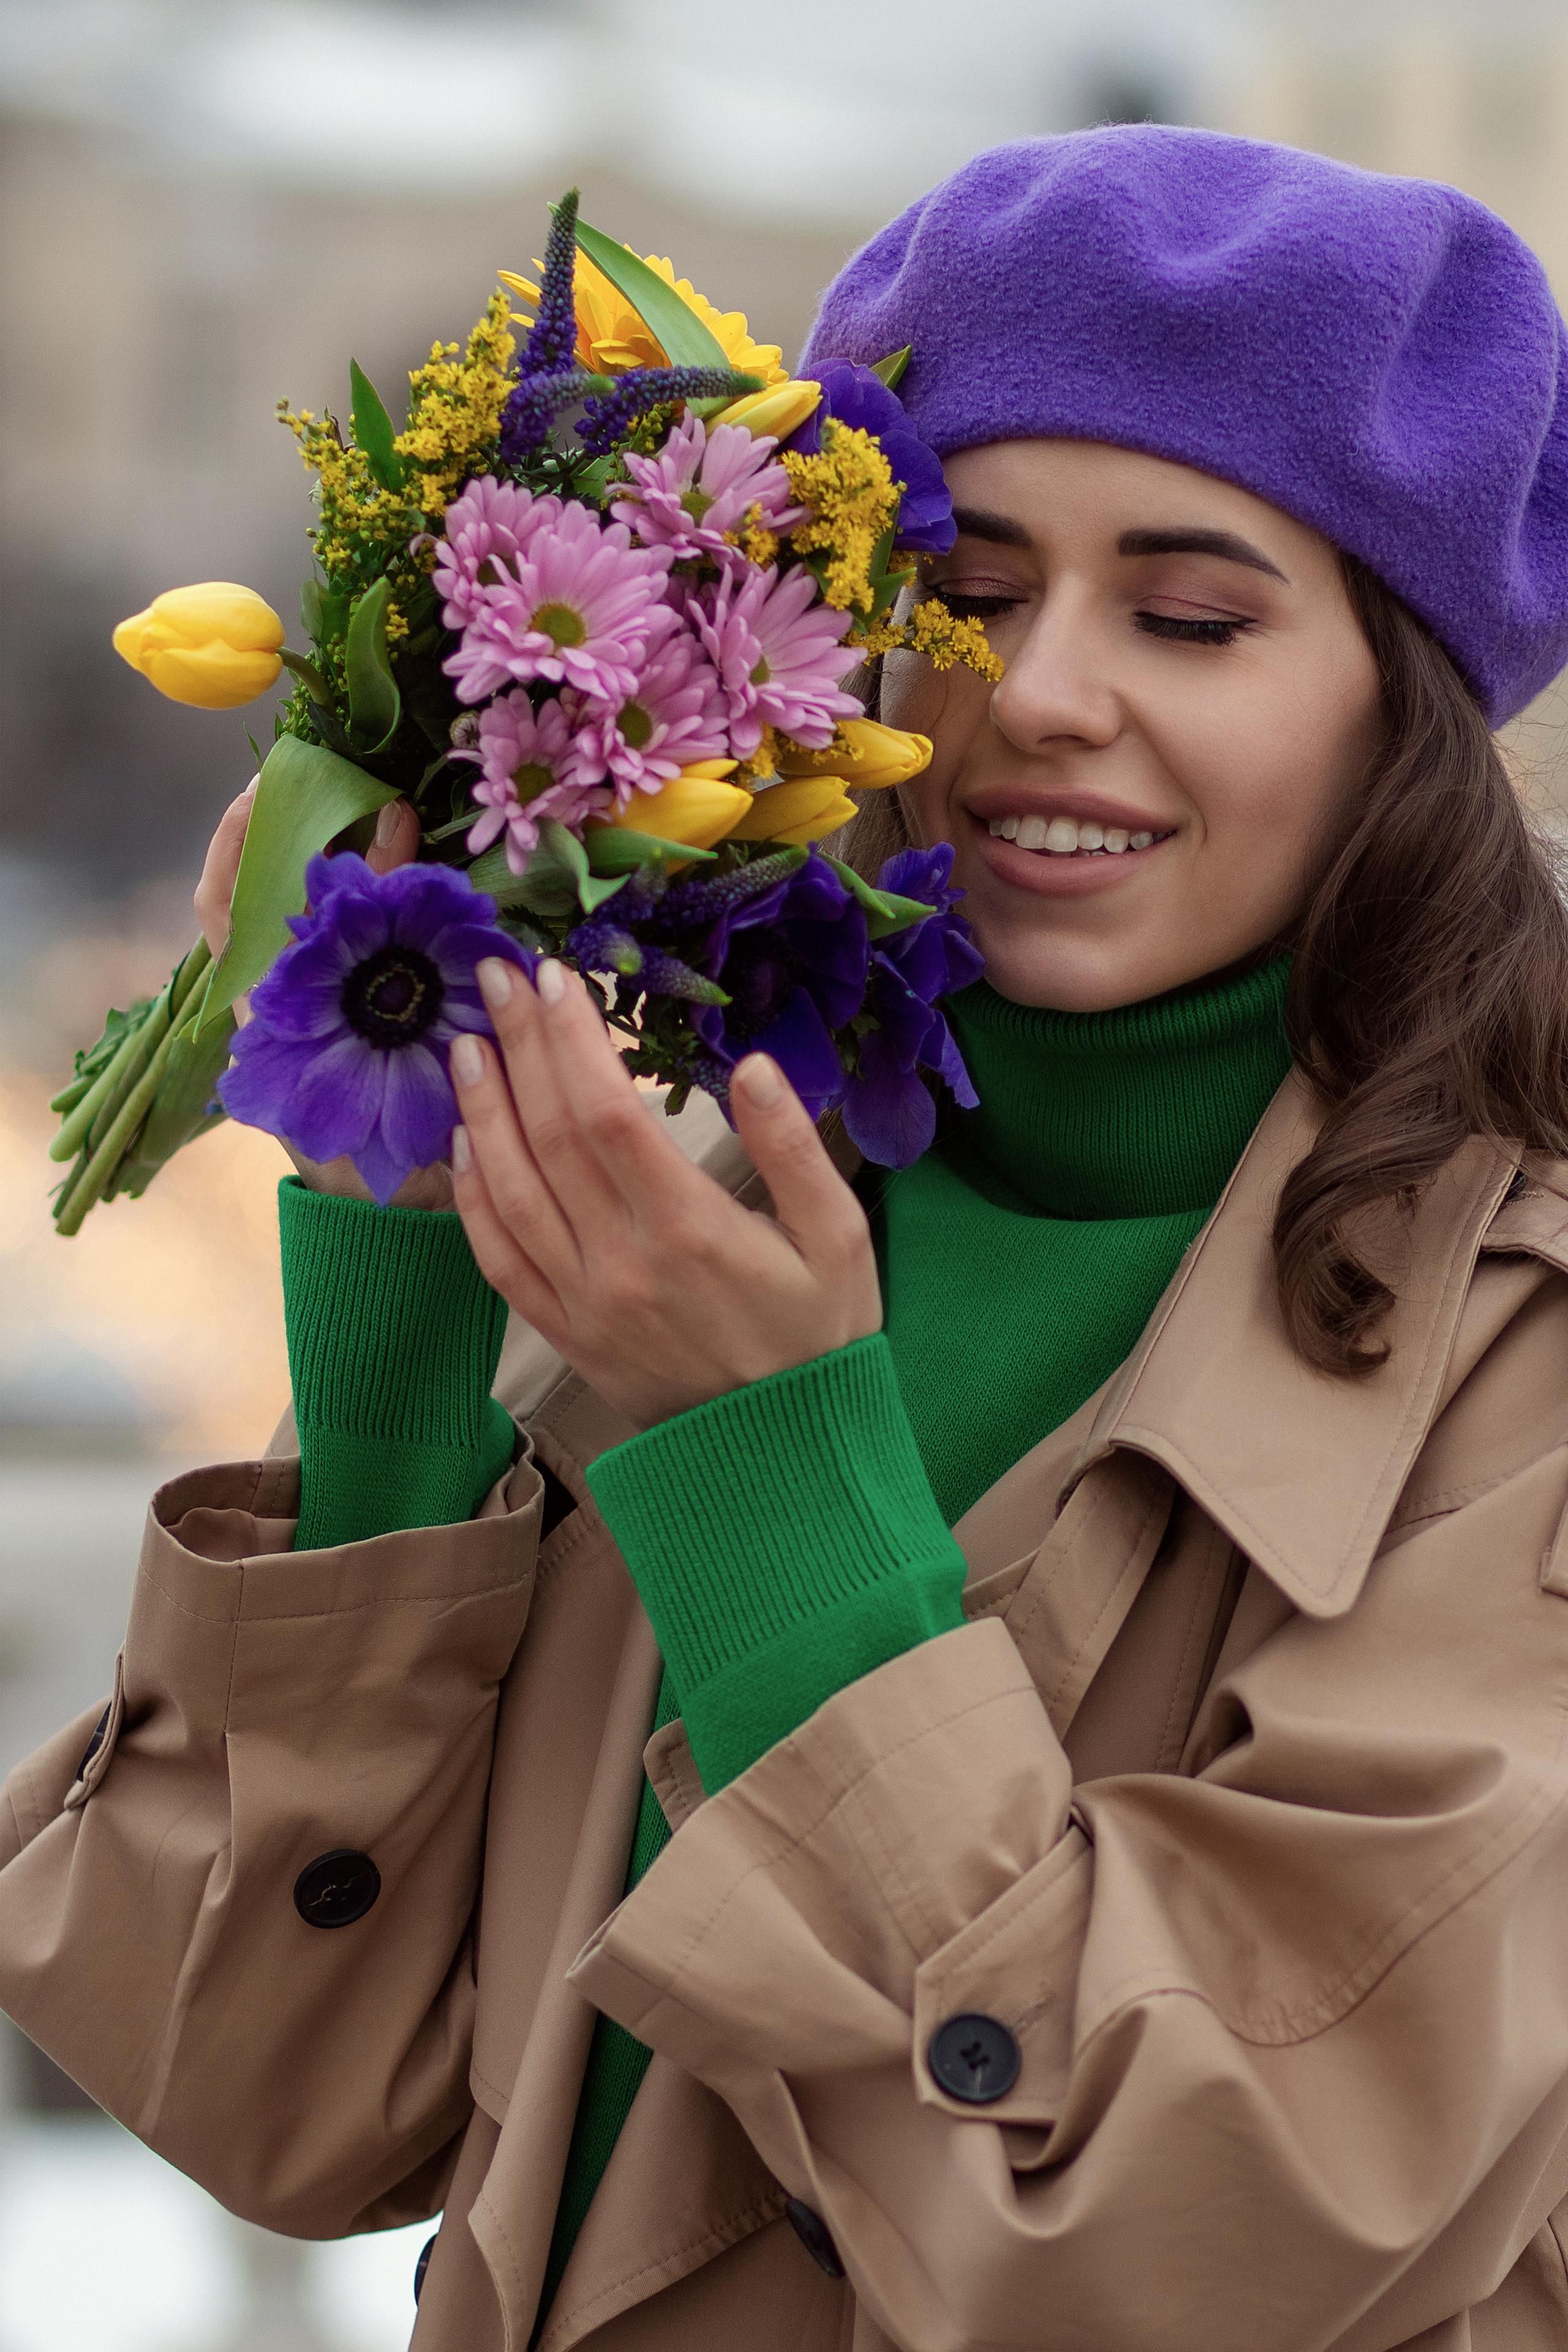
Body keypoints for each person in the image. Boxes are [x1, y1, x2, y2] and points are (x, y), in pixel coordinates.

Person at [5, 123, 1568, 2352]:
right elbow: (279, 2099)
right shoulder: (722, 1221)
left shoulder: (1517, 1373)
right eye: (968, 593)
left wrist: (778, 1493)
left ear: (1407, 703)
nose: (1036, 694)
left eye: (1198, 611)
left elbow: (1195, 2249)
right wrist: (395, 1307)